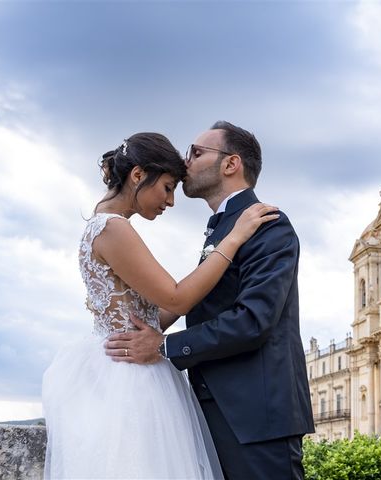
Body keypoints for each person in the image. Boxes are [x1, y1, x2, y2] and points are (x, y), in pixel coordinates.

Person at [42, 132, 277, 479]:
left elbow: (154, 313)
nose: (170, 201)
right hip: (129, 377)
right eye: (167, 187)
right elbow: (176, 297)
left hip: (127, 360)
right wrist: (235, 237)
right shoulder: (112, 228)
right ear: (138, 175)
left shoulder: (105, 224)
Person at [105, 121, 315, 479]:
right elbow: (192, 301)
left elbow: (254, 320)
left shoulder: (267, 223)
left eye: (197, 152)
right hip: (215, 411)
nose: (186, 162)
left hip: (257, 418)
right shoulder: (226, 228)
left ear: (231, 164)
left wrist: (164, 346)